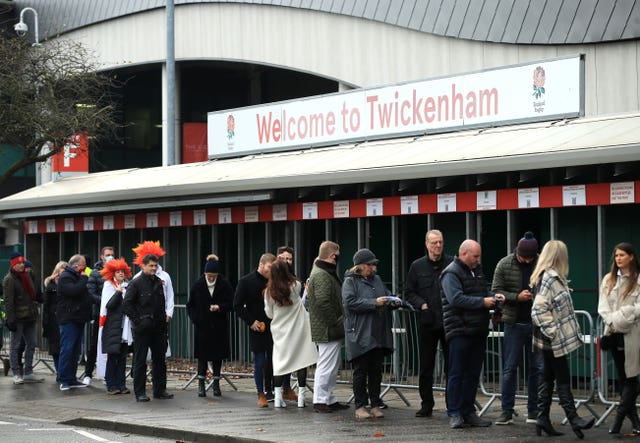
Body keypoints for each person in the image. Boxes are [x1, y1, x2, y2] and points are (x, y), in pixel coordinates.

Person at [531, 240, 594, 438]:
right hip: (551, 339)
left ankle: (543, 418)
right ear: (559, 256)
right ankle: (573, 418)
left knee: (548, 378)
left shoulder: (548, 276)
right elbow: (538, 309)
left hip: (547, 338)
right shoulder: (550, 278)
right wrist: (554, 331)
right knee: (563, 377)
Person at [441, 240, 505, 429]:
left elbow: (480, 292)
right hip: (459, 329)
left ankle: (468, 411)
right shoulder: (451, 273)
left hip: (477, 329)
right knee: (456, 373)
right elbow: (455, 299)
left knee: (472, 373)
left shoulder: (477, 270)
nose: (478, 260)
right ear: (464, 254)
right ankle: (454, 413)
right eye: (475, 256)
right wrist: (483, 302)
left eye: (479, 256)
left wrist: (493, 297)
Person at [492, 231, 543, 425]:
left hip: (536, 323)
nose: (527, 261)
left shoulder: (541, 263)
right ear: (517, 252)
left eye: (531, 258)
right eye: (524, 258)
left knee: (537, 369)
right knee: (509, 369)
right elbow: (496, 291)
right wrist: (516, 297)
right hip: (513, 323)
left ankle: (534, 411)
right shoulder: (505, 264)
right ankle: (506, 410)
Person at [405, 229, 453, 418]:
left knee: (452, 366)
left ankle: (453, 404)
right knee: (426, 367)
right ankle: (426, 404)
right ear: (427, 244)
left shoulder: (452, 263)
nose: (438, 246)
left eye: (440, 242)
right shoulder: (417, 266)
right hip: (428, 323)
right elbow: (409, 292)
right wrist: (421, 305)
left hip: (449, 322)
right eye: (434, 243)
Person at [342, 248, 394, 419]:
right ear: (361, 266)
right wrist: (374, 303)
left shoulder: (377, 279)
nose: (373, 268)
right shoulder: (350, 282)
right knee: (361, 370)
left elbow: (386, 295)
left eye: (374, 265)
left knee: (376, 370)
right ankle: (360, 406)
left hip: (377, 333)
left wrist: (393, 300)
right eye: (370, 265)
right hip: (359, 333)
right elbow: (350, 303)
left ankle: (375, 403)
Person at [598, 242, 640, 435]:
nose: (618, 258)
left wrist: (622, 317)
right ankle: (635, 422)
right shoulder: (608, 279)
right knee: (624, 379)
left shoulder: (638, 278)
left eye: (622, 255)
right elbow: (603, 308)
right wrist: (614, 322)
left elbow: (637, 309)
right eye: (616, 255)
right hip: (614, 333)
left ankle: (619, 417)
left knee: (632, 378)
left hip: (634, 333)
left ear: (631, 256)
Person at [264, 260, 318, 408]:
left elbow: (269, 314)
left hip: (280, 331)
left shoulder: (269, 293)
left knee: (279, 363)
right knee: (301, 361)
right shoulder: (296, 285)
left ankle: (277, 397)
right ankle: (301, 397)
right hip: (298, 328)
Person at [123, 253, 173, 402]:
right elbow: (127, 304)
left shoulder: (160, 281)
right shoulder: (136, 283)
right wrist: (138, 321)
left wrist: (164, 321)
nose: (153, 268)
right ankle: (140, 392)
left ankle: (159, 390)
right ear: (143, 266)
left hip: (158, 328)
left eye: (155, 265)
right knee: (140, 360)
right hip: (142, 329)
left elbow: (163, 302)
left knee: (159, 360)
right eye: (150, 265)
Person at [308, 240, 349, 413]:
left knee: (331, 365)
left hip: (326, 327)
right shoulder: (322, 274)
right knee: (326, 365)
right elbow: (323, 301)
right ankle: (320, 400)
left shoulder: (320, 271)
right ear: (333, 256)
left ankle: (329, 398)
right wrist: (336, 321)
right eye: (337, 255)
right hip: (327, 328)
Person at [187, 257, 234, 397]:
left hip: (219, 327)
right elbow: (190, 305)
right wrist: (196, 319)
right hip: (203, 327)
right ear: (205, 274)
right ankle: (201, 384)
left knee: (217, 357)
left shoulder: (224, 284)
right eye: (209, 276)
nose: (211, 278)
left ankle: (216, 384)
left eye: (213, 276)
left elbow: (231, 303)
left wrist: (220, 307)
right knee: (202, 357)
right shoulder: (198, 284)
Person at [234, 253, 276, 407]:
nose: (271, 271)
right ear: (261, 264)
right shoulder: (246, 282)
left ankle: (273, 390)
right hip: (257, 326)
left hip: (275, 326)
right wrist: (251, 322)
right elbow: (237, 305)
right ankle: (261, 393)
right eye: (269, 268)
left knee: (274, 360)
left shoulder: (274, 281)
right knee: (259, 360)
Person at [3, 252, 41, 384]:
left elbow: (33, 295)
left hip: (30, 316)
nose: (21, 265)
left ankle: (29, 372)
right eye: (18, 263)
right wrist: (10, 319)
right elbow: (8, 301)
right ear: (13, 265)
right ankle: (16, 373)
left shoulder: (28, 275)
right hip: (18, 318)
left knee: (32, 344)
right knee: (15, 345)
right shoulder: (9, 279)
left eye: (22, 262)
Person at [97, 258, 133, 394]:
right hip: (112, 326)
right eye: (118, 272)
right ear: (113, 273)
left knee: (123, 357)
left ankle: (121, 384)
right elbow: (109, 305)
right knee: (113, 357)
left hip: (124, 327)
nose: (121, 274)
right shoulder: (108, 286)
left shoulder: (127, 286)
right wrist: (118, 293)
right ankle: (111, 385)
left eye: (122, 271)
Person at [57, 254, 91, 390]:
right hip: (68, 319)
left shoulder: (76, 277)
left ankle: (72, 378)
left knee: (75, 350)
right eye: (83, 265)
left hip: (78, 318)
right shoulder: (66, 277)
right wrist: (83, 279)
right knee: (67, 349)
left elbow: (85, 295)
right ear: (76, 266)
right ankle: (63, 379)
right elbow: (74, 291)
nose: (85, 268)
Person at [85, 246, 115, 386]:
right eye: (108, 254)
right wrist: (104, 302)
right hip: (100, 313)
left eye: (112, 254)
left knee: (111, 344)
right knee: (95, 343)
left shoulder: (116, 271)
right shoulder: (96, 273)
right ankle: (88, 373)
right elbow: (90, 293)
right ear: (102, 257)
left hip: (114, 314)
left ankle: (107, 373)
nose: (110, 257)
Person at [275, 245, 300, 402]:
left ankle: (286, 388)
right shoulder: (273, 277)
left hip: (291, 323)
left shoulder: (294, 279)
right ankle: (272, 390)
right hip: (277, 324)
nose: (287, 261)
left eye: (290, 259)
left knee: (289, 358)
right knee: (278, 358)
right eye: (284, 258)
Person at [42, 261, 67, 373]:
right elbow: (46, 306)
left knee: (65, 348)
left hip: (65, 319)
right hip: (53, 320)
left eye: (66, 268)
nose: (64, 270)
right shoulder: (51, 286)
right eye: (62, 268)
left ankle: (63, 372)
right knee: (56, 349)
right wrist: (45, 321)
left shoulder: (69, 284)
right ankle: (59, 372)